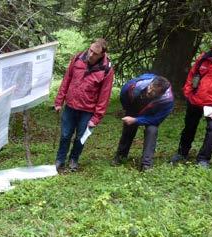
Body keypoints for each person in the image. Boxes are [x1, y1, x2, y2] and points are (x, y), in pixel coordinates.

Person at [170, 30, 212, 168]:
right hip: (196, 100)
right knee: (189, 127)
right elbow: (192, 75)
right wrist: (188, 93)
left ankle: (203, 159)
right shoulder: (204, 57)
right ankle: (182, 153)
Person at [54, 38, 114, 171]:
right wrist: (59, 101)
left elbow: (105, 95)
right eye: (90, 50)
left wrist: (96, 117)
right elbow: (66, 80)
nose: (91, 55)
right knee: (65, 135)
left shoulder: (106, 70)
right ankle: (60, 160)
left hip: (88, 110)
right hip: (70, 106)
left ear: (102, 54)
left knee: (81, 137)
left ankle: (74, 160)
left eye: (95, 53)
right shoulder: (77, 59)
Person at [112, 74, 174, 171]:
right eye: (150, 88)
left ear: (160, 94)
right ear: (151, 83)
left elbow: (156, 120)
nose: (149, 91)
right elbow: (124, 94)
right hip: (135, 105)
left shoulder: (167, 101)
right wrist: (127, 110)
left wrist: (136, 120)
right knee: (128, 129)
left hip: (150, 115)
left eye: (154, 92)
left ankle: (146, 164)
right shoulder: (136, 85)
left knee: (152, 130)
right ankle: (120, 157)